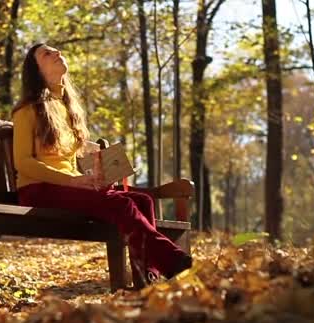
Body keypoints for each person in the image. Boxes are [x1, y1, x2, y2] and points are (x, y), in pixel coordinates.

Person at [12, 43, 192, 286]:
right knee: (121, 204)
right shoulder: (27, 110)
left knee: (143, 200)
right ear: (36, 70)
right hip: (37, 190)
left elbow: (71, 159)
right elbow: (23, 163)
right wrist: (73, 181)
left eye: (56, 50)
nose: (57, 53)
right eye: (47, 53)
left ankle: (147, 278)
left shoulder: (66, 108)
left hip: (67, 187)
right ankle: (176, 263)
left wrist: (100, 171)